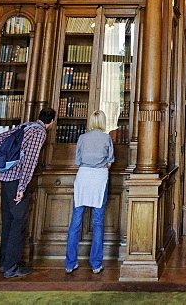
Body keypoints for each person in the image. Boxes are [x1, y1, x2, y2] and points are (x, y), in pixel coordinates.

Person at [0, 107, 56, 279]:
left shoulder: (26, 126)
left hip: (5, 176)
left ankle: (5, 263)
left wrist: (11, 156)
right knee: (19, 222)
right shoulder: (39, 133)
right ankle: (12, 267)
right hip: (16, 181)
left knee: (8, 221)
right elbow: (29, 162)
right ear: (51, 122)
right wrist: (22, 188)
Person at [65, 110, 115, 275]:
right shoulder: (106, 138)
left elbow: (77, 161)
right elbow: (110, 161)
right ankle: (95, 263)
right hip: (99, 178)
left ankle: (70, 262)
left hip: (83, 177)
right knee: (98, 222)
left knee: (76, 221)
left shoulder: (82, 138)